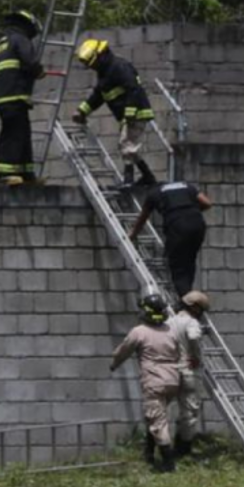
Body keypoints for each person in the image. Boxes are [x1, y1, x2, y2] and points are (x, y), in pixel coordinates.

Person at [112, 294, 183, 473]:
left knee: (157, 421)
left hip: (154, 381)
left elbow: (123, 351)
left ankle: (168, 464)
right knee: (155, 416)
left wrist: (113, 364)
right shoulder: (171, 331)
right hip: (173, 380)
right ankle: (149, 453)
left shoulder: (139, 331)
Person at [71, 38, 156, 188]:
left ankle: (129, 180)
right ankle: (148, 176)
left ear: (101, 55)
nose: (93, 67)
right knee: (130, 147)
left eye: (94, 63)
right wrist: (82, 111)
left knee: (126, 144)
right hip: (128, 115)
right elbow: (98, 96)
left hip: (136, 112)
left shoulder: (119, 66)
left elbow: (133, 88)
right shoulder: (104, 73)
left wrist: (129, 113)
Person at [127, 178, 213, 297]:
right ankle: (189, 293)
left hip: (178, 227)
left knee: (177, 266)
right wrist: (192, 210)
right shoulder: (186, 186)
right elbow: (207, 203)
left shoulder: (153, 193)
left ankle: (186, 301)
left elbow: (142, 218)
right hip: (198, 225)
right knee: (189, 260)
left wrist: (132, 235)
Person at [0, 9, 44, 185]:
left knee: (22, 133)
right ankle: (4, 174)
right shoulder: (20, 39)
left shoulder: (2, 43)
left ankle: (27, 174)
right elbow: (29, 60)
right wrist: (38, 71)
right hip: (14, 94)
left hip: (4, 96)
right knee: (13, 134)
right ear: (27, 26)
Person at [167, 290, 211, 457]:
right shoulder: (191, 322)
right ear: (196, 308)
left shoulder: (169, 321)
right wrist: (196, 356)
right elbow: (193, 338)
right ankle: (183, 450)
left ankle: (162, 448)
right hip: (187, 372)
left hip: (170, 371)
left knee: (163, 410)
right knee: (189, 412)